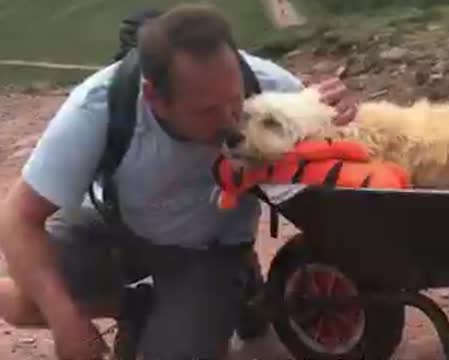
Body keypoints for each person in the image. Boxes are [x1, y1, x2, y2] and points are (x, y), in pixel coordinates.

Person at [0, 4, 357, 360]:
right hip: (115, 225)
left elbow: (336, 160)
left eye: (235, 103)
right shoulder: (98, 106)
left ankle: (237, 287)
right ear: (154, 97)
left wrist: (337, 119)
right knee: (24, 298)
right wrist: (66, 321)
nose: (230, 122)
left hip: (205, 249)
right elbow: (17, 218)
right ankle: (136, 305)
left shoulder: (269, 85)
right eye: (206, 111)